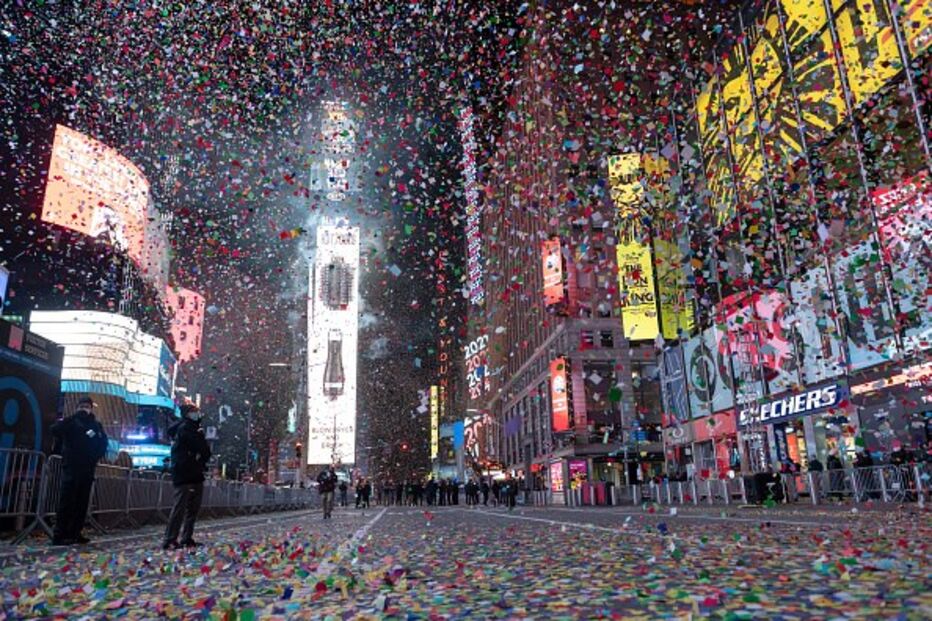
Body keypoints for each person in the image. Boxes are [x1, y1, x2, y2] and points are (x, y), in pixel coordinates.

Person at [51, 396, 109, 546]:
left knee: (82, 503)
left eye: (87, 406)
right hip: (71, 467)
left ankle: (75, 532)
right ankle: (60, 534)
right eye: (82, 405)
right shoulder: (71, 422)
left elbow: (103, 443)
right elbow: (55, 430)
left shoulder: (96, 425)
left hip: (87, 468)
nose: (85, 408)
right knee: (67, 501)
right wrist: (74, 418)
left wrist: (95, 457)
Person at [162, 403, 212, 550]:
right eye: (193, 411)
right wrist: (202, 452)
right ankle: (170, 539)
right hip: (184, 472)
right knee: (180, 507)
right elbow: (200, 447)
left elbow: (204, 451)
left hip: (194, 472)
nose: (197, 413)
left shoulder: (195, 428)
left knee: (192, 508)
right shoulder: (185, 429)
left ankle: (186, 537)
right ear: (187, 414)